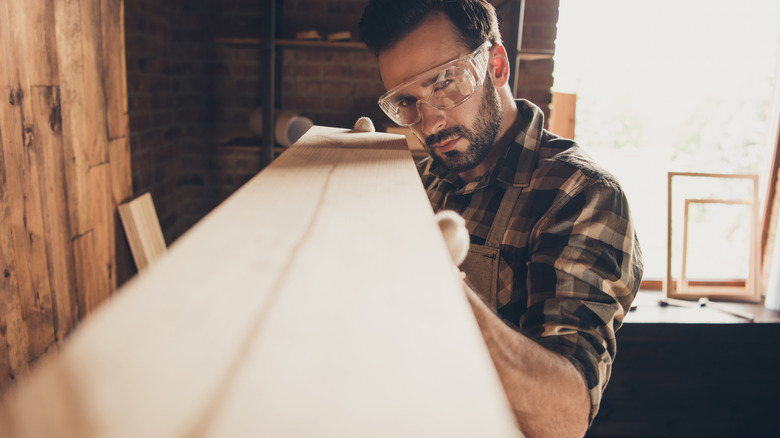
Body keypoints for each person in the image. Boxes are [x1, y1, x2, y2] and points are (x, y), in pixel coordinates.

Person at [358, 1, 644, 437]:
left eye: (444, 84)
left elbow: (563, 418)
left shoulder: (581, 193)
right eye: (406, 102)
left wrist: (440, 284)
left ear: (495, 65)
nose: (429, 121)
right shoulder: (422, 181)